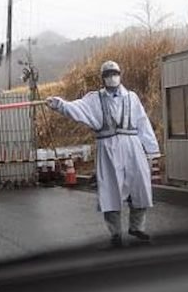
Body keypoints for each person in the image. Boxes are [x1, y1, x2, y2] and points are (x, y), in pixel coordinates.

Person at [46, 60, 160, 247]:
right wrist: (59, 104)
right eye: (108, 74)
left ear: (120, 74)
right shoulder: (94, 99)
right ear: (103, 78)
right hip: (108, 148)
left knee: (140, 187)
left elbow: (142, 122)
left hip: (133, 146)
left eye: (114, 73)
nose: (112, 77)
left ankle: (137, 227)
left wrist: (151, 148)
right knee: (110, 191)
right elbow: (76, 108)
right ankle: (115, 234)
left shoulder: (132, 97)